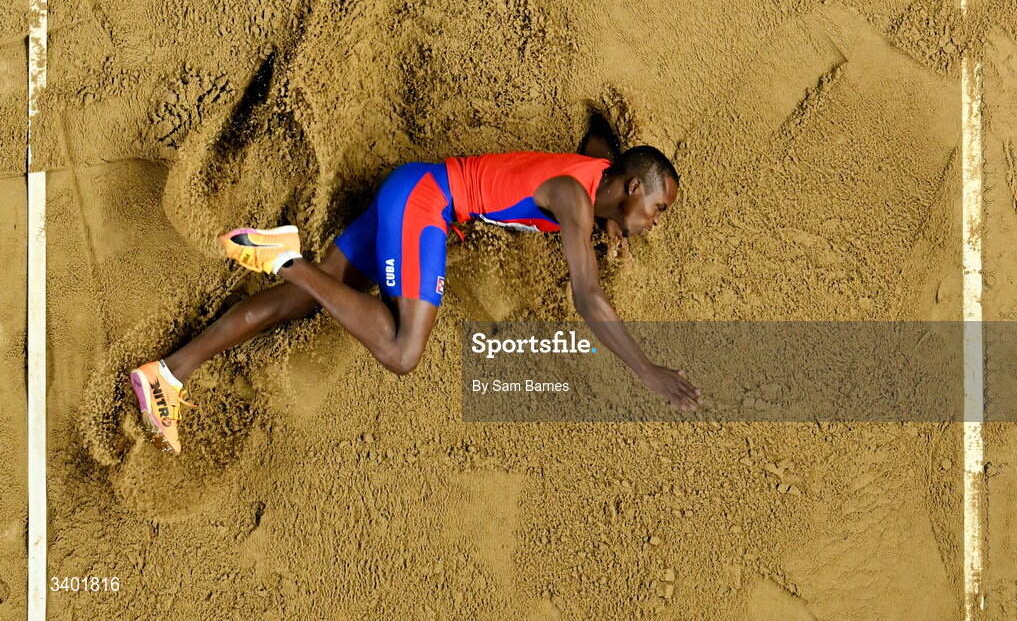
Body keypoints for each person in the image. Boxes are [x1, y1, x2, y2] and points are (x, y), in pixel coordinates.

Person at [129, 132, 701, 454]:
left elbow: (601, 135)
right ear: (631, 188)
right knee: (403, 352)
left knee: (306, 302)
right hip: (427, 204)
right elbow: (588, 298)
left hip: (413, 190)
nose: (653, 223)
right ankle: (284, 257)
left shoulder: (598, 170)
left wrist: (616, 224)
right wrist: (647, 371)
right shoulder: (576, 202)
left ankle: (168, 374)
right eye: (656, 210)